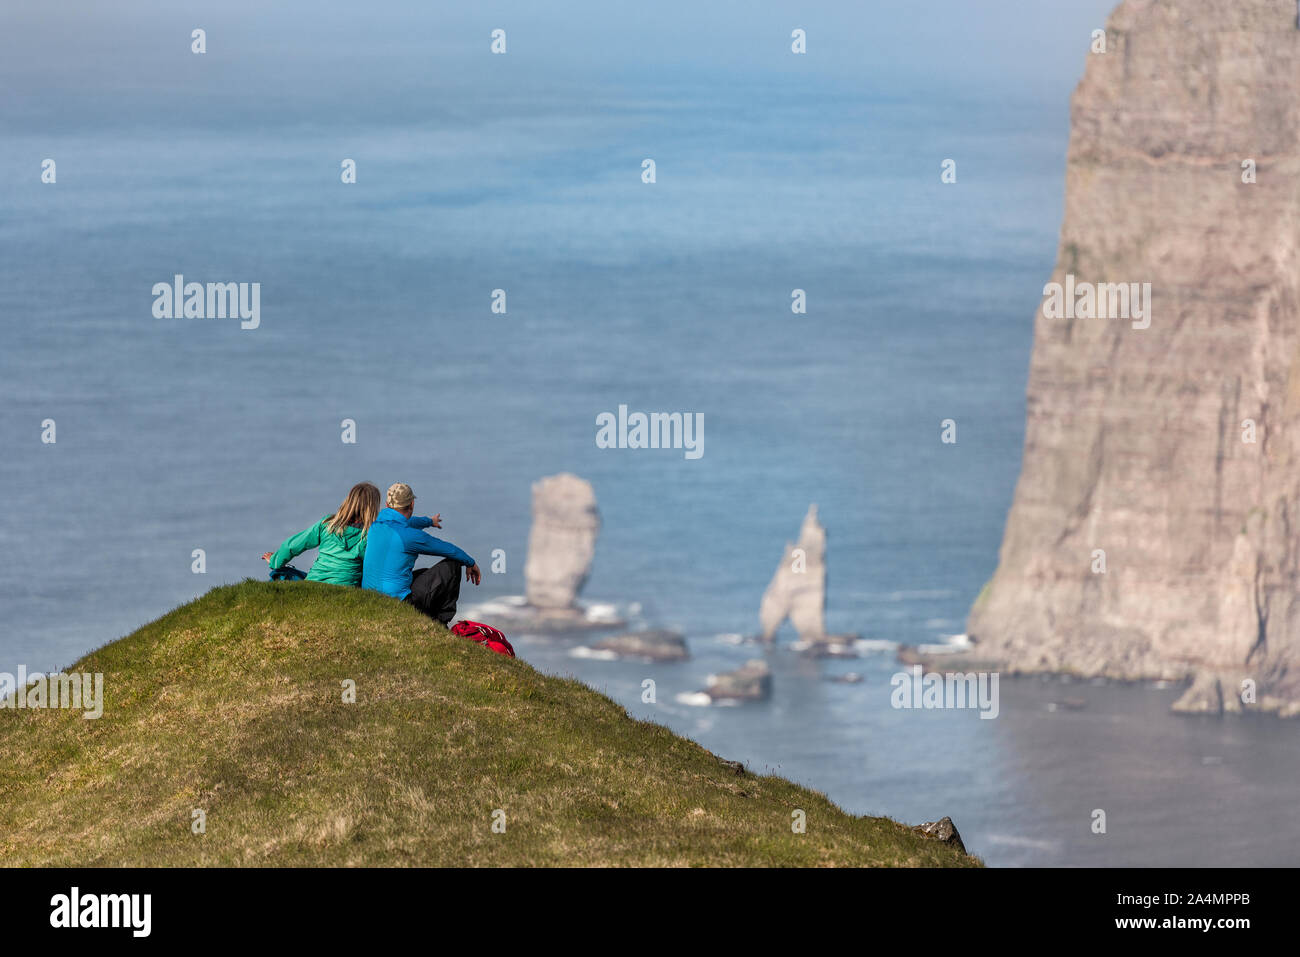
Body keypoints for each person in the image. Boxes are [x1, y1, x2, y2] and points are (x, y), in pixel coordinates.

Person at [362, 482, 481, 624]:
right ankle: (440, 623)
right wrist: (470, 562)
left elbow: (408, 521)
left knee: (425, 572)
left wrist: (430, 521)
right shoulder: (410, 536)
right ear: (412, 504)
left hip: (371, 599)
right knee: (454, 564)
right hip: (397, 604)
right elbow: (448, 549)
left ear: (387, 505)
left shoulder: (376, 525)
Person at [261, 482, 383, 586]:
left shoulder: (328, 524)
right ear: (372, 508)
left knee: (284, 574)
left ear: (349, 501)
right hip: (347, 587)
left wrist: (275, 560)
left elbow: (292, 546)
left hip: (314, 581)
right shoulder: (369, 535)